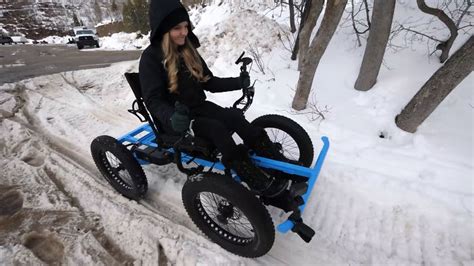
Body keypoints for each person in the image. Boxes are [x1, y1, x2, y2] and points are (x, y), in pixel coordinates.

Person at [139, 0, 288, 197]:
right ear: (163, 29)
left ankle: (273, 160)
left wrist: (238, 82)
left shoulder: (187, 50)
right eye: (177, 28)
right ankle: (253, 178)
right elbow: (153, 100)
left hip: (199, 108)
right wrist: (173, 116)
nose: (184, 32)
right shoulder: (150, 58)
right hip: (177, 121)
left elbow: (210, 83)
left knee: (235, 116)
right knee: (217, 130)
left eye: (186, 26)